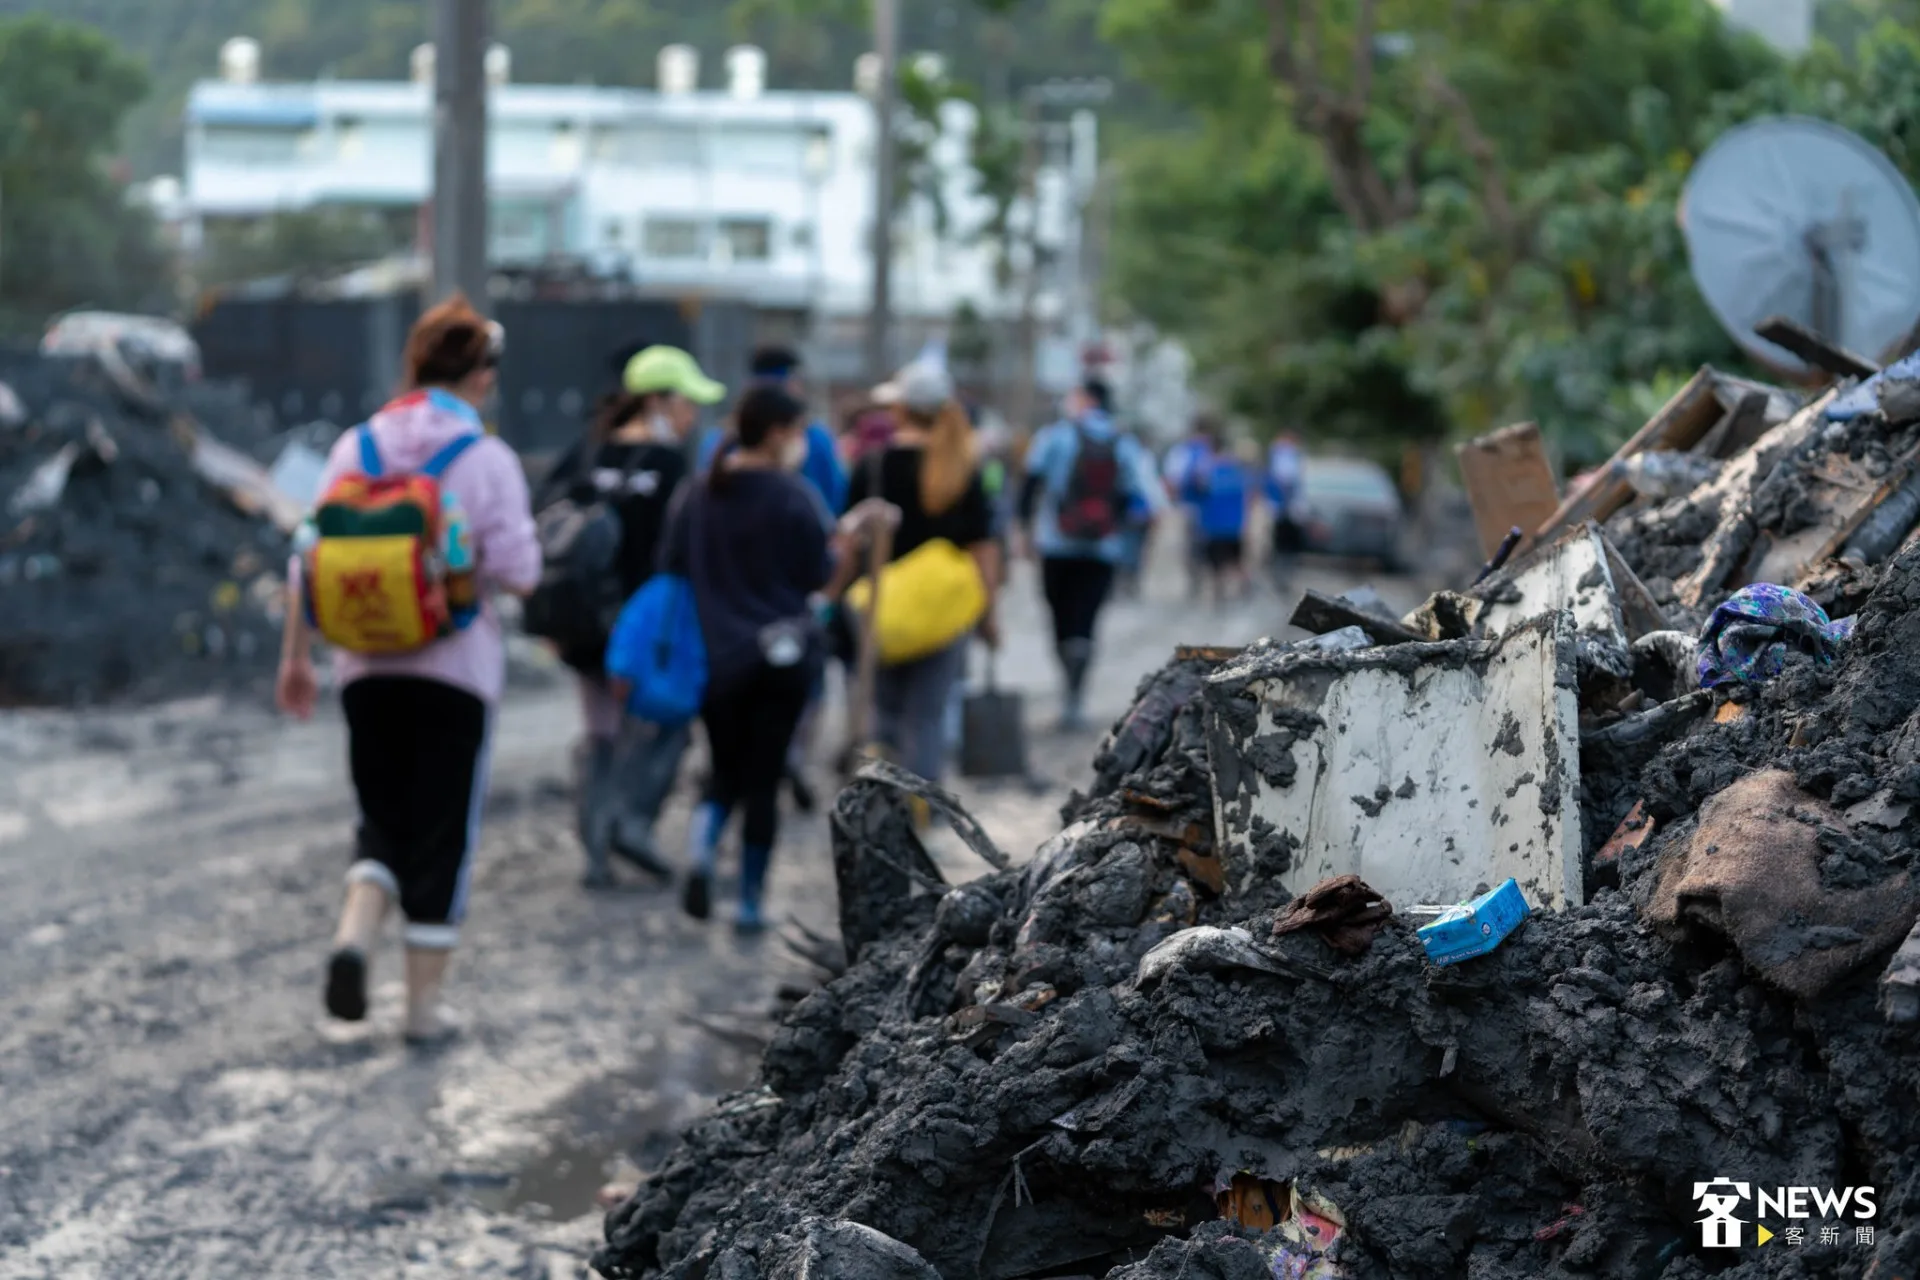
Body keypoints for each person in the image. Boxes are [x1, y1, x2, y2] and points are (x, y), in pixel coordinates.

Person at [276, 295, 541, 1045]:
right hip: (455, 672)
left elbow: (307, 558)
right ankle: (423, 1014)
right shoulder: (486, 458)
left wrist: (297, 658)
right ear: (482, 377)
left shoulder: (354, 448)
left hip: (363, 670)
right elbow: (520, 572)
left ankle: (353, 940)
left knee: (380, 822)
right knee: (441, 837)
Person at [659, 385, 893, 931]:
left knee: (722, 770)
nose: (801, 444)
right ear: (775, 433)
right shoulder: (792, 495)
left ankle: (700, 851)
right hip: (780, 659)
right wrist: (851, 542)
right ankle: (747, 902)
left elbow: (670, 565)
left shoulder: (696, 492)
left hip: (714, 658)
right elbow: (820, 575)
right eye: (797, 433)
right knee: (763, 781)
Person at [536, 350, 719, 889]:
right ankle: (632, 824)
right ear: (659, 400)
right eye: (686, 401)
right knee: (668, 721)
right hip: (645, 629)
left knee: (600, 729)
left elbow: (545, 516)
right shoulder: (669, 465)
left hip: (581, 622)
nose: (691, 415)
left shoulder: (589, 450)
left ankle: (596, 846)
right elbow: (688, 546)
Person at [842, 363, 1001, 785]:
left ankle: (878, 801)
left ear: (899, 408)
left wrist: (832, 596)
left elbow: (848, 542)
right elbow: (983, 548)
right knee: (927, 716)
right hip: (943, 609)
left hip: (880, 605)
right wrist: (988, 612)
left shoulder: (872, 466)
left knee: (882, 711)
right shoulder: (964, 468)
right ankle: (921, 810)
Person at [1018, 378, 1166, 732]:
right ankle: (1076, 692)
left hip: (1056, 544)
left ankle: (1066, 678)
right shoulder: (1124, 441)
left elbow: (1029, 486)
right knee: (1087, 619)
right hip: (1104, 546)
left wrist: (1023, 531)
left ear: (1083, 399)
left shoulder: (1054, 436)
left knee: (1059, 614)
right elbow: (1144, 499)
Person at [1185, 439, 1257, 606]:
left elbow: (1193, 494)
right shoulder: (1238, 473)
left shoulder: (1207, 473)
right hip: (1233, 526)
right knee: (1236, 560)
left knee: (1216, 563)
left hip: (1214, 526)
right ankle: (1244, 587)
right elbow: (1250, 498)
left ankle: (1220, 593)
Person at [1164, 423, 1217, 600]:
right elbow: (1173, 480)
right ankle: (1194, 581)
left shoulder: (1200, 452)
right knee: (1192, 545)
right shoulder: (1187, 452)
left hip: (1204, 507)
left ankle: (1203, 580)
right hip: (1192, 506)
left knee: (1202, 546)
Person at [1266, 431, 1306, 589]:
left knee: (1285, 544)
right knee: (1285, 544)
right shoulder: (1285, 455)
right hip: (1285, 508)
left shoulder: (1282, 455)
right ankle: (1281, 577)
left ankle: (1281, 576)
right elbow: (1286, 480)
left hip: (1283, 508)